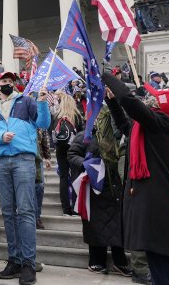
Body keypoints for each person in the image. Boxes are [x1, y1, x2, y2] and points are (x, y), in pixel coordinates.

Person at [102, 71, 169, 285]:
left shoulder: (161, 123)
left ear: (161, 105)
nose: (148, 98)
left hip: (158, 205)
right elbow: (125, 125)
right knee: (158, 265)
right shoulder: (147, 127)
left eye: (152, 97)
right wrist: (111, 100)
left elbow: (129, 101)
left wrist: (106, 75)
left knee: (165, 269)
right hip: (150, 203)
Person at [0, 72, 50, 285]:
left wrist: (42, 103)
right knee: (9, 213)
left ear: (15, 84)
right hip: (2, 161)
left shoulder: (27, 101)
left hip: (23, 159)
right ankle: (14, 259)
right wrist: (0, 137)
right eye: (3, 82)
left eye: (10, 82)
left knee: (26, 211)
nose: (7, 84)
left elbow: (44, 123)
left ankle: (29, 263)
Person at [67, 105, 131, 277]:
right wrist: (87, 165)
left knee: (117, 225)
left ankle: (120, 262)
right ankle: (96, 260)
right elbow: (72, 154)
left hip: (114, 187)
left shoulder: (117, 136)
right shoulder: (84, 135)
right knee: (95, 225)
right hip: (94, 188)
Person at [51, 91, 83, 215]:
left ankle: (65, 208)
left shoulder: (57, 116)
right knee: (75, 176)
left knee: (63, 177)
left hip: (60, 149)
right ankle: (75, 208)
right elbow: (81, 133)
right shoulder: (77, 116)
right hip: (74, 149)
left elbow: (52, 133)